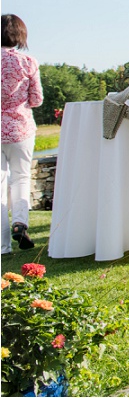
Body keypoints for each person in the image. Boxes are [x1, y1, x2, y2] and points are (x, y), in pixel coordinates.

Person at [2, 14, 43, 253]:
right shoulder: (28, 61)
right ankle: (20, 222)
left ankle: (2, 245)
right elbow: (36, 99)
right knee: (21, 178)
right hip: (20, 128)